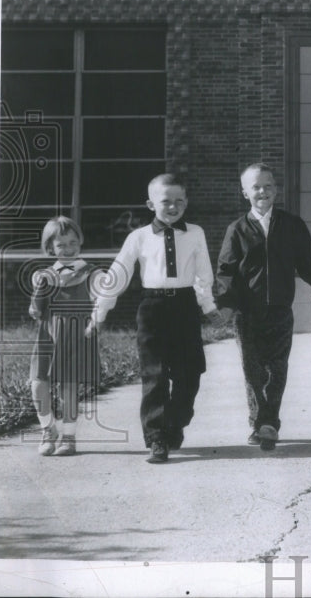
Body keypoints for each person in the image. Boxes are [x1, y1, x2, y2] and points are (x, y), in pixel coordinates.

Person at [91, 174, 220, 463]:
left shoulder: (195, 233)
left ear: (186, 202)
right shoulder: (138, 237)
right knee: (155, 373)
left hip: (185, 306)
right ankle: (157, 437)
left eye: (178, 201)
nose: (172, 207)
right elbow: (118, 273)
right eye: (165, 202)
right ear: (151, 204)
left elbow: (203, 273)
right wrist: (100, 311)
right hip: (153, 307)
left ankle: (175, 421)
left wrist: (209, 307)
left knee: (190, 372)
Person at [215, 164, 311, 452]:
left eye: (268, 185)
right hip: (247, 313)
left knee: (277, 369)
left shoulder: (291, 225)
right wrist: (225, 304)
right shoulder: (237, 230)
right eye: (255, 187)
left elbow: (305, 263)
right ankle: (259, 421)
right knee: (253, 370)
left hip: (280, 309)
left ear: (276, 189)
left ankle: (268, 424)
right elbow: (226, 270)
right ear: (245, 193)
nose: (262, 191)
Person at [27, 217, 102, 457]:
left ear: (80, 242)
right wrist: (38, 291)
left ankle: (69, 436)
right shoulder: (45, 276)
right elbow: (35, 311)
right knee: (38, 382)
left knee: (69, 386)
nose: (68, 249)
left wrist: (96, 318)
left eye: (73, 243)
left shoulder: (90, 272)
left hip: (75, 333)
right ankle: (48, 429)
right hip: (48, 333)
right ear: (50, 248)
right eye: (61, 245)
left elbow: (102, 299)